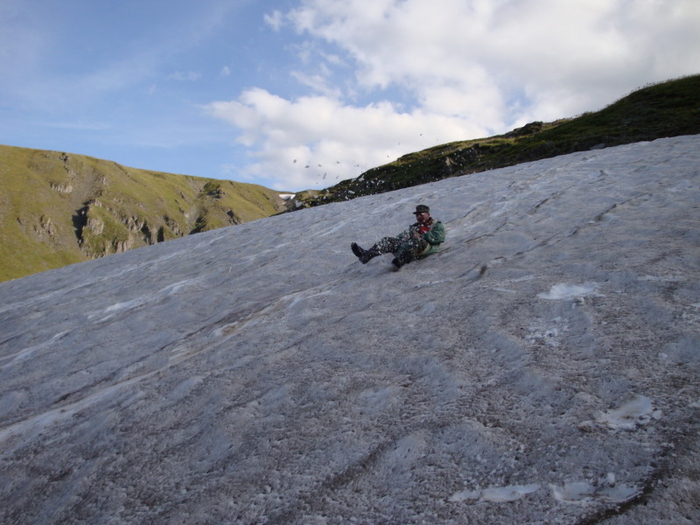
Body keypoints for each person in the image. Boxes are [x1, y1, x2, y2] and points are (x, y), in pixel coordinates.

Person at [351, 204, 446, 269]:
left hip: (425, 248)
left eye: (421, 214)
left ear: (428, 214)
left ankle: (400, 261)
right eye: (417, 215)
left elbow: (439, 238)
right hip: (409, 247)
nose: (419, 217)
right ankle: (366, 255)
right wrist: (403, 237)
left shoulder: (436, 224)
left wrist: (422, 235)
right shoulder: (415, 226)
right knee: (388, 240)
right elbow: (400, 236)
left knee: (415, 241)